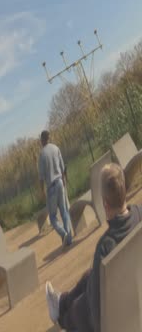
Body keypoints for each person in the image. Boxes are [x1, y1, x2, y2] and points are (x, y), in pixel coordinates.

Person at [45, 162, 141, 331]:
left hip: (115, 314)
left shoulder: (105, 245)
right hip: (132, 291)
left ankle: (62, 317)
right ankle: (61, 302)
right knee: (89, 276)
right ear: (124, 191)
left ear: (104, 203)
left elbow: (97, 311)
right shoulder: (139, 214)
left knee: (78, 307)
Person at [39, 130, 73, 247]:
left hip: (51, 187)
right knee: (64, 211)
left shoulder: (42, 154)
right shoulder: (56, 148)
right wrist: (64, 180)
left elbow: (41, 177)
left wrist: (42, 191)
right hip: (59, 182)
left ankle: (63, 234)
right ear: (49, 138)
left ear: (42, 140)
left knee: (53, 217)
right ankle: (69, 238)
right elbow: (63, 166)